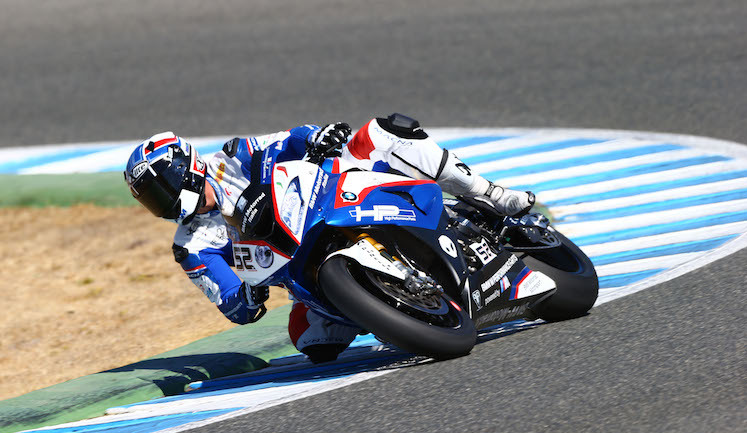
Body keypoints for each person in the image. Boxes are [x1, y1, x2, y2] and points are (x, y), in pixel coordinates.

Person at [124, 114, 534, 363]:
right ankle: (391, 302)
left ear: (184, 167)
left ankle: (491, 195)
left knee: (384, 131)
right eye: (150, 201)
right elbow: (228, 300)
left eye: (161, 189)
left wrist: (315, 138)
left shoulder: (233, 157)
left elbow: (285, 140)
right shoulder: (190, 245)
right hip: (303, 273)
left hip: (331, 199)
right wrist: (245, 299)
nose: (161, 204)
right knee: (310, 341)